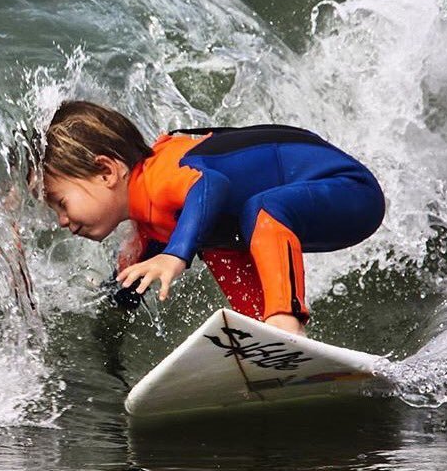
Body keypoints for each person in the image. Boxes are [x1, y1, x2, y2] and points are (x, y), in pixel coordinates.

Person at [42, 100, 385, 335]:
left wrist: (175, 255)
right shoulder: (148, 229)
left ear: (106, 171)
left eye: (61, 202)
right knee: (217, 241)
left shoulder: (162, 175)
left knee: (258, 211)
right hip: (307, 207)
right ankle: (267, 335)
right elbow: (124, 293)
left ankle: (285, 323)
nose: (61, 220)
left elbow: (210, 183)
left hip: (349, 191)